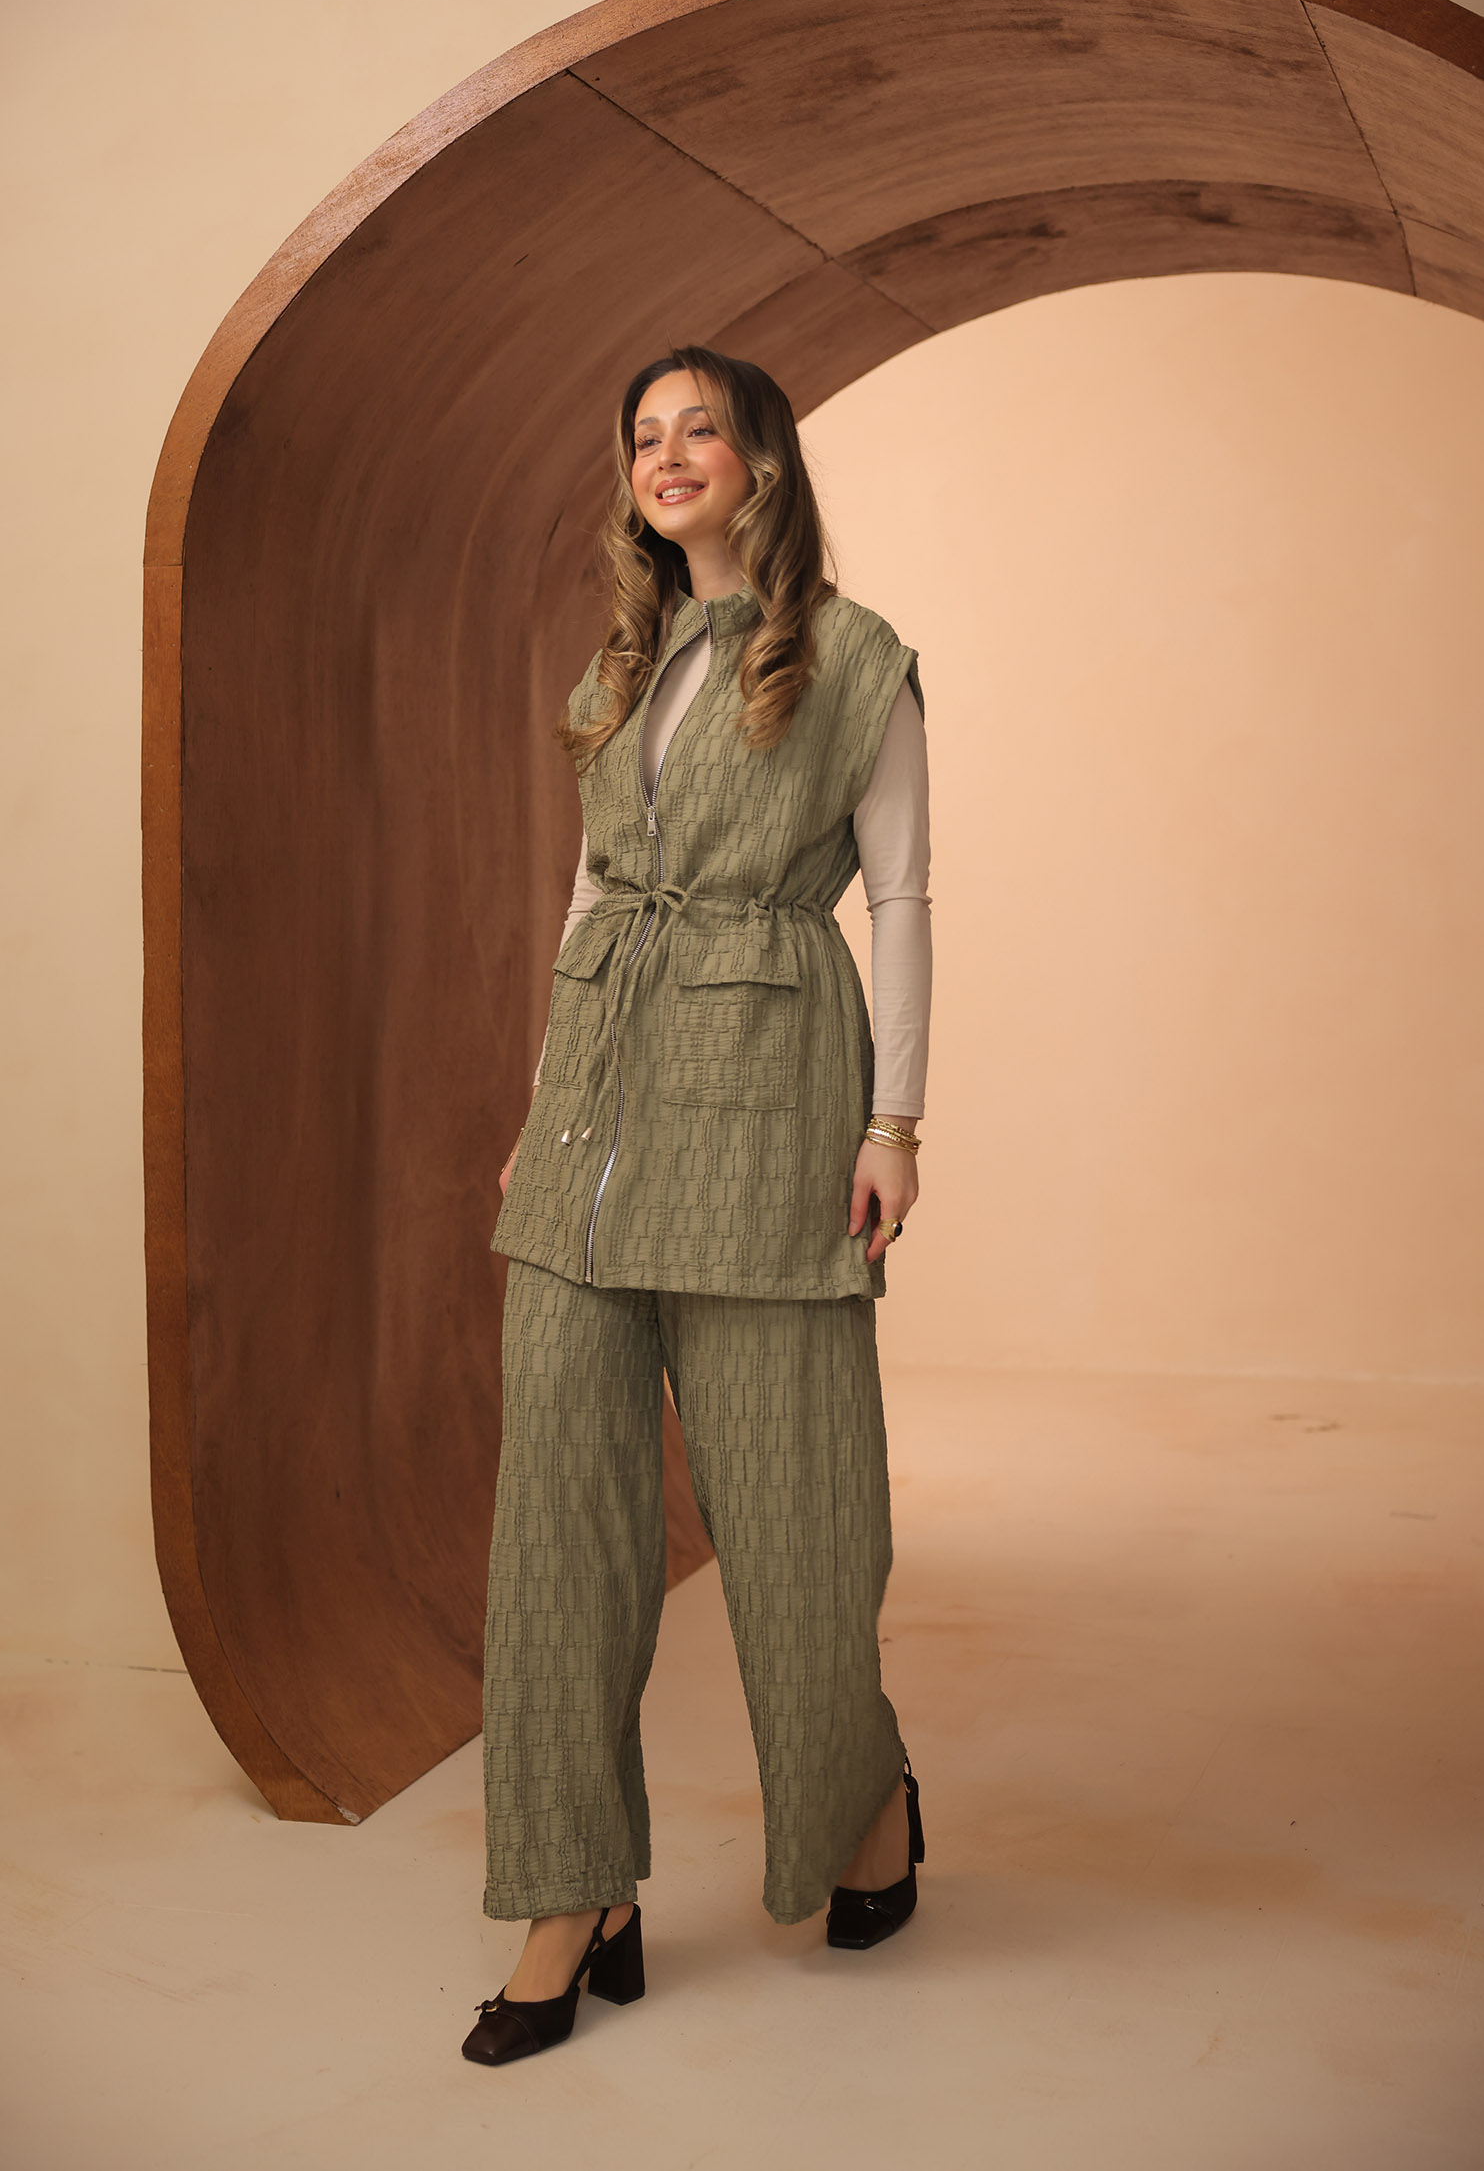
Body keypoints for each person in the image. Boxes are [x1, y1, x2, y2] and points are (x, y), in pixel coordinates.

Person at [462, 346, 933, 2067]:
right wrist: (542, 1105)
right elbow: (595, 891)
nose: (666, 458)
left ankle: (863, 1798)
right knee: (558, 1525)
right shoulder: (622, 660)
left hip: (767, 1104)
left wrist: (895, 1122)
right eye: (644, 438)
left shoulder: (857, 659)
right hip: (593, 1118)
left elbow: (903, 897)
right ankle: (571, 1893)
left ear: (761, 460)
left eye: (698, 431)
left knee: (798, 1510)